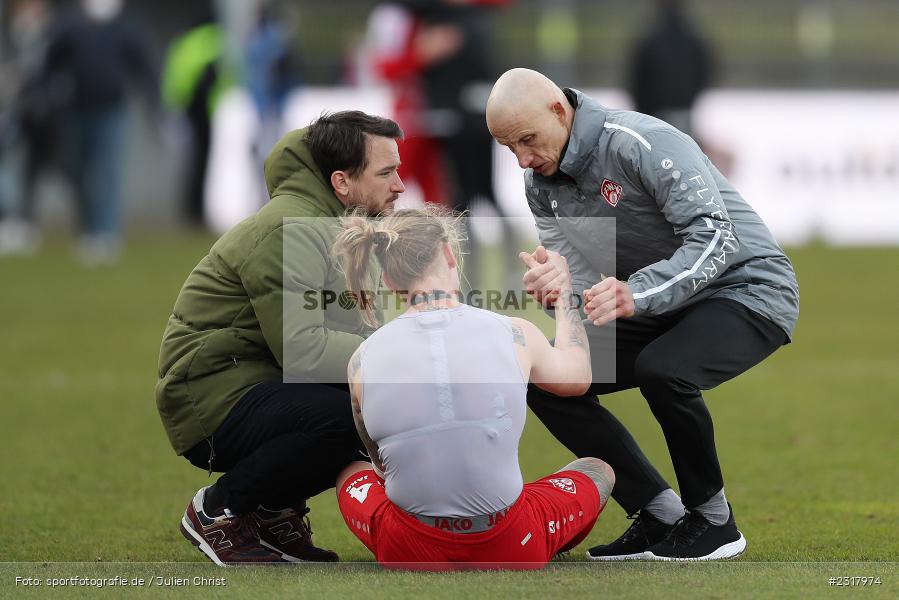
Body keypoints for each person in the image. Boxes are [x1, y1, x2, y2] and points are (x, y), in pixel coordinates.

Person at [485, 68, 799, 561]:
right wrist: (556, 292)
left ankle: (715, 523)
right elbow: (580, 282)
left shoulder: (642, 142)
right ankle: (660, 513)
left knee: (664, 370)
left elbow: (715, 236)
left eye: (527, 140)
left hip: (748, 289)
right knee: (546, 375)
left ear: (559, 111)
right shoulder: (540, 183)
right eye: (510, 148)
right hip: (656, 301)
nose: (523, 159)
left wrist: (638, 292)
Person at [156, 111, 406, 565]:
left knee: (381, 406)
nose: (400, 185)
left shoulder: (347, 229)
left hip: (259, 382)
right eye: (386, 172)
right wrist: (402, 357)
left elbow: (360, 336)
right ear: (341, 181)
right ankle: (218, 511)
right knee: (353, 416)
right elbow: (303, 351)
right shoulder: (290, 228)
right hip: (209, 395)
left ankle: (270, 513)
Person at [331, 207, 614, 570]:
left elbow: (381, 470)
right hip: (511, 540)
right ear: (449, 254)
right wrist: (564, 297)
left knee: (351, 472)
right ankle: (539, 539)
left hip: (406, 548)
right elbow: (578, 377)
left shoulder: (361, 359)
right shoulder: (514, 332)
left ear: (387, 279)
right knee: (598, 470)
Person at [41, 0, 157, 264]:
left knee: (107, 170)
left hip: (111, 109)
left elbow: (144, 64)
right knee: (76, 169)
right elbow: (51, 61)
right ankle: (87, 228)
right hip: (76, 110)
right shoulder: (70, 24)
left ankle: (107, 233)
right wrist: (47, 92)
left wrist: (154, 100)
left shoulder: (126, 26)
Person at [629, 0, 713, 139]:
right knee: (681, 145)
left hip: (655, 113)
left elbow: (639, 77)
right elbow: (704, 70)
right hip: (684, 111)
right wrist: (690, 98)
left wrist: (642, 109)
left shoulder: (651, 37)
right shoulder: (692, 37)